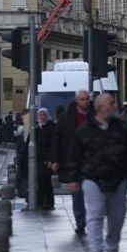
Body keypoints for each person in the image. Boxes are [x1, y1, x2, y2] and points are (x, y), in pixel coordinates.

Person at [63, 93, 127, 252]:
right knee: (95, 214)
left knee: (117, 215)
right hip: (92, 177)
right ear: (100, 107)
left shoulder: (123, 128)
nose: (114, 106)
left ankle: (112, 247)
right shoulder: (85, 129)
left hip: (119, 177)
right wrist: (73, 178)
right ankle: (95, 249)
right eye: (111, 104)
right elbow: (74, 155)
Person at [51, 90, 93, 235]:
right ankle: (80, 222)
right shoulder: (66, 117)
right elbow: (56, 139)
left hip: (94, 162)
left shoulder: (96, 116)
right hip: (74, 162)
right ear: (77, 100)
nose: (85, 101)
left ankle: (93, 220)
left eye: (87, 99)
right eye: (82, 99)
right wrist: (55, 160)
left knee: (94, 194)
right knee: (77, 193)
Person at [33, 108, 57, 210]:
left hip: (47, 159)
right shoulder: (36, 127)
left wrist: (51, 159)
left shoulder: (51, 127)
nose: (42, 117)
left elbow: (53, 144)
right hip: (37, 159)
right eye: (40, 115)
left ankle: (49, 203)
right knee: (40, 181)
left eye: (44, 115)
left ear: (47, 116)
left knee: (46, 181)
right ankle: (41, 202)